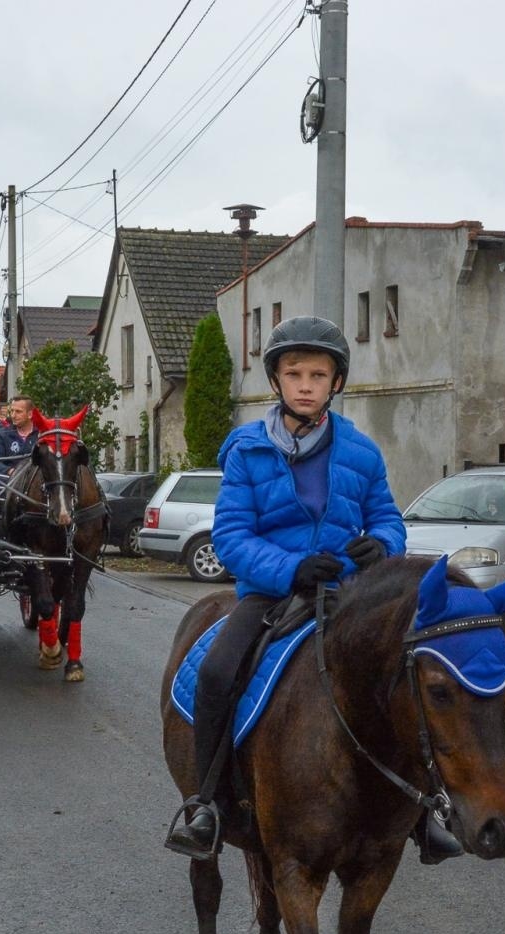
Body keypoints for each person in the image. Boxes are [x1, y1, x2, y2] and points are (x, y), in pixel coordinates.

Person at [164, 316, 462, 865]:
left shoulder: (362, 452)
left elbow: (388, 519)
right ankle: (205, 803)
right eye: (294, 373)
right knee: (217, 670)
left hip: (350, 595)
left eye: (318, 375)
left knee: (412, 676)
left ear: (336, 383)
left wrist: (382, 545)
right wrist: (292, 569)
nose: (306, 384)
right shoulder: (246, 451)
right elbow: (231, 536)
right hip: (272, 593)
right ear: (276, 381)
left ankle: (426, 812)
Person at [0, 395, 39, 479]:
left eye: (18, 412)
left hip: (35, 483)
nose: (13, 415)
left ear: (30, 414)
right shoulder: (2, 435)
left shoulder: (41, 435)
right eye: (11, 411)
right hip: (8, 483)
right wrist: (11, 471)